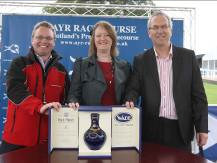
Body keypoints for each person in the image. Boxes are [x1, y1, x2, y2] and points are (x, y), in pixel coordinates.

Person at [125, 11, 208, 152]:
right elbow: (133, 88)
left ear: (171, 30)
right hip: (151, 130)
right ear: (148, 32)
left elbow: (198, 96)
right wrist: (130, 99)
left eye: (164, 26)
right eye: (155, 27)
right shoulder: (141, 60)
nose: (160, 31)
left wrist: (202, 128)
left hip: (180, 129)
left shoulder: (188, 57)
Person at [0, 21, 70, 154]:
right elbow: (14, 90)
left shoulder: (62, 71)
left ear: (54, 42)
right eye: (39, 37)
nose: (44, 41)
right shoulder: (19, 63)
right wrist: (39, 106)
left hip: (49, 141)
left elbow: (65, 101)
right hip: (17, 140)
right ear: (32, 40)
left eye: (49, 38)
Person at [67, 21, 131, 108]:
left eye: (107, 35)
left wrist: (129, 100)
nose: (102, 38)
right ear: (93, 40)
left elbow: (130, 94)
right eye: (98, 35)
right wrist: (73, 101)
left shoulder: (125, 66)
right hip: (89, 118)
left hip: (117, 119)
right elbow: (73, 94)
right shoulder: (81, 65)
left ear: (113, 39)